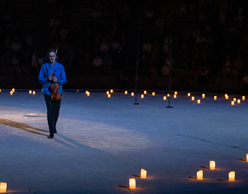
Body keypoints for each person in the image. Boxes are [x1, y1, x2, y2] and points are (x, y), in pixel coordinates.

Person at [38, 49, 67, 139]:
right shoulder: (44, 66)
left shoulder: (60, 66)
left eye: (53, 56)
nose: (52, 58)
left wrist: (57, 80)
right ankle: (51, 131)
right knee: (50, 111)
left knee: (56, 111)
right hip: (47, 91)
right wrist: (47, 78)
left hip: (58, 91)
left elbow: (65, 80)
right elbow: (39, 79)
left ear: (56, 57)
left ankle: (53, 125)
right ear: (48, 57)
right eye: (50, 56)